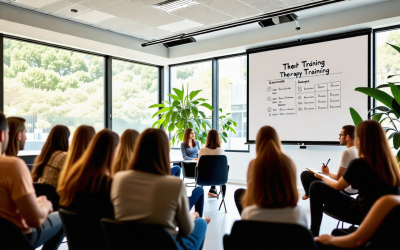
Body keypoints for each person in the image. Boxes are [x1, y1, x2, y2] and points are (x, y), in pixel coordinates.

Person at [111, 128, 209, 250]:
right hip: (167, 245)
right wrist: (193, 216)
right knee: (201, 222)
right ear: (165, 152)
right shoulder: (175, 184)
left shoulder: (119, 179)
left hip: (127, 244)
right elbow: (186, 230)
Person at [310, 120, 400, 236]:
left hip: (360, 213)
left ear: (361, 139)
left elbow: (338, 186)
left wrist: (322, 177)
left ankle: (314, 233)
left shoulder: (360, 164)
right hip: (380, 216)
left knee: (315, 186)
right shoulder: (390, 164)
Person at [0, 113, 64, 250]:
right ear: (2, 135)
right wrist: (45, 205)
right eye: (25, 133)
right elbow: (34, 220)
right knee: (62, 216)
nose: (26, 137)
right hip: (17, 237)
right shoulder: (12, 166)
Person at [240, 126, 308, 227]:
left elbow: (249, 198)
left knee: (239, 193)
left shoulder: (248, 215)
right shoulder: (299, 215)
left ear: (257, 143)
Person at [57, 129, 118, 219]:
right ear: (112, 152)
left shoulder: (73, 177)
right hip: (100, 232)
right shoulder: (108, 184)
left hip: (77, 232)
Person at [315, 195, 400, 249]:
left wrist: (330, 240)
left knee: (329, 239)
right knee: (338, 232)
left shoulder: (389, 201)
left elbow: (357, 241)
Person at [234, 126, 282, 215]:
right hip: (282, 206)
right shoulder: (288, 162)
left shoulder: (254, 164)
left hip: (258, 207)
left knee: (239, 193)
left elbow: (251, 192)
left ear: (258, 142)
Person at [301, 125, 358, 200]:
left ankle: (310, 193)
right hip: (356, 189)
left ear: (347, 137)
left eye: (340, 135)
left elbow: (338, 178)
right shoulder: (358, 150)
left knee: (305, 174)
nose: (339, 138)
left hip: (346, 188)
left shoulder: (347, 152)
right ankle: (310, 193)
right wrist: (327, 173)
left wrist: (323, 176)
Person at [197, 129, 226, 197]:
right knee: (215, 169)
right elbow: (224, 167)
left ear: (208, 138)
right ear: (218, 138)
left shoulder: (202, 150)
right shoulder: (221, 150)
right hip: (219, 179)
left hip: (203, 179)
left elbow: (198, 166)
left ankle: (206, 192)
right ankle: (214, 191)